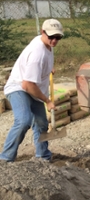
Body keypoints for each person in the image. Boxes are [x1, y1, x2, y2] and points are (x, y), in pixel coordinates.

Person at [0, 18, 64, 162]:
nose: (54, 40)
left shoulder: (46, 43)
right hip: (19, 87)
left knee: (41, 123)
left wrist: (48, 68)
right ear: (43, 32)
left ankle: (43, 157)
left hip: (32, 88)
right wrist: (47, 101)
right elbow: (27, 85)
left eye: (58, 37)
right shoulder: (37, 54)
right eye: (51, 37)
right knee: (24, 120)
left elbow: (42, 61)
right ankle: (5, 159)